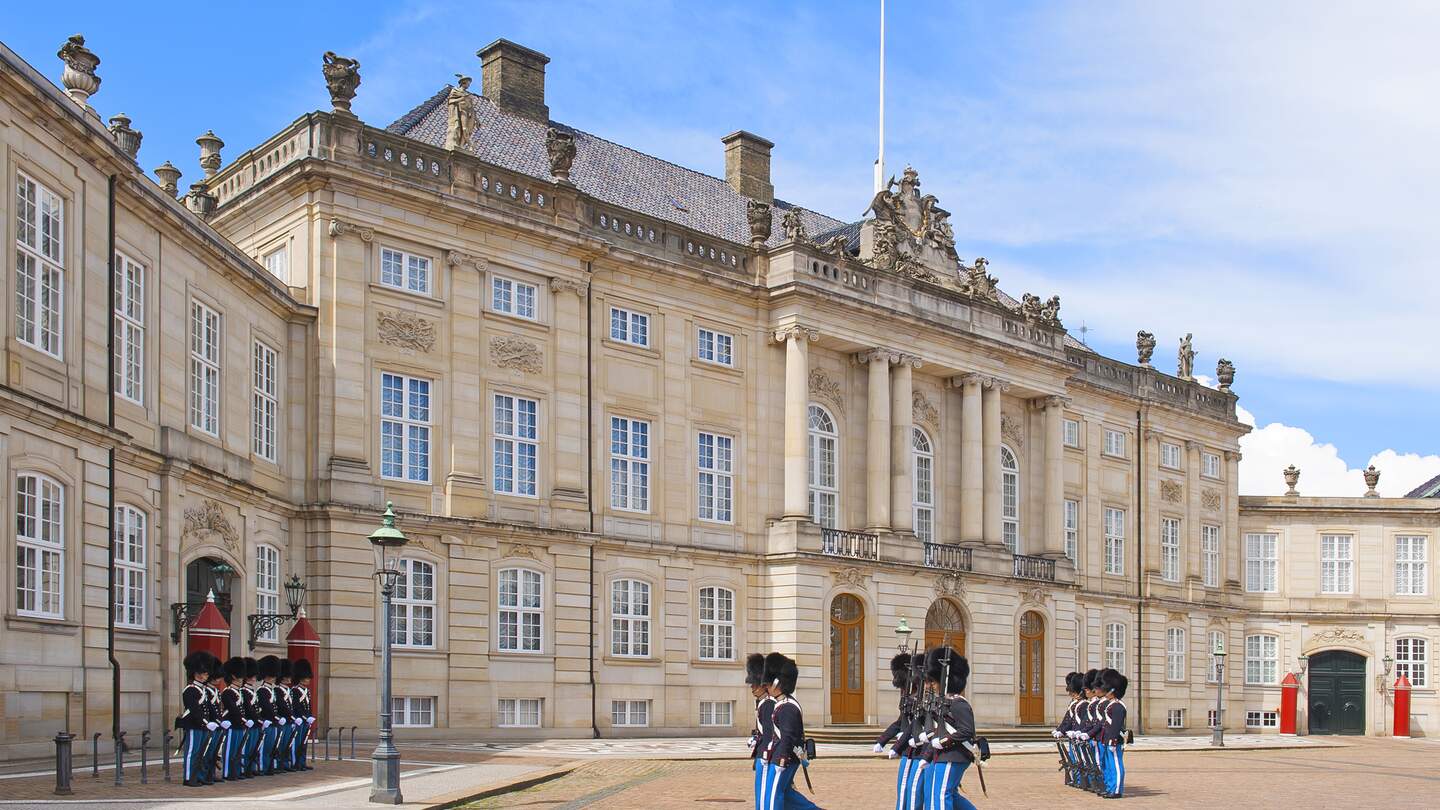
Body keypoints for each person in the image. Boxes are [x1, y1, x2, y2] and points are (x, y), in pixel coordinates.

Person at [759, 652, 821, 810]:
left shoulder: (787, 707)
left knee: (774, 796)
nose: (765, 686)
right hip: (781, 755)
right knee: (786, 795)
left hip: (784, 758)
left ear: (777, 682)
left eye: (767, 683)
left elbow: (787, 737)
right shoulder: (782, 703)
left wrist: (781, 759)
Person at [920, 647, 977, 810]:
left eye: (935, 681)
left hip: (955, 756)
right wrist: (927, 756)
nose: (933, 685)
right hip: (944, 755)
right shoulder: (946, 702)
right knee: (950, 794)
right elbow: (939, 730)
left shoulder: (959, 703)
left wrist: (943, 743)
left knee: (942, 795)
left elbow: (966, 731)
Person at [875, 652, 925, 810]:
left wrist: (897, 745)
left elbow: (914, 725)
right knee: (904, 789)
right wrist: (881, 740)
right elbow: (900, 722)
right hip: (908, 749)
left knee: (913, 791)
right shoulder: (908, 696)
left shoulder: (922, 699)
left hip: (920, 750)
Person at [177, 652, 214, 787]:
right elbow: (194, 710)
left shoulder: (202, 689)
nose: (207, 675)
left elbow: (208, 708)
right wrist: (205, 722)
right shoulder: (190, 690)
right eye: (204, 673)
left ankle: (198, 776)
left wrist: (213, 721)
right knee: (192, 752)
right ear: (197, 673)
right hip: (194, 724)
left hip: (202, 725)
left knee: (201, 752)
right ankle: (188, 778)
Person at [746, 652, 775, 810]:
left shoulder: (768, 703)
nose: (752, 687)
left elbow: (770, 734)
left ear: (763, 684)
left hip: (766, 755)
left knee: (764, 794)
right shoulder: (763, 702)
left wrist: (765, 755)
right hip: (762, 753)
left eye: (754, 684)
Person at [1100, 670, 1129, 799]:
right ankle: (1111, 788)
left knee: (1116, 766)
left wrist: (1112, 741)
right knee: (1110, 766)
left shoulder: (1117, 706)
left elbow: (1116, 726)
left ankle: (1117, 790)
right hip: (1107, 740)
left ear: (1113, 689)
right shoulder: (1112, 704)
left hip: (1115, 741)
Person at [1052, 671, 1082, 788]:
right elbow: (1067, 719)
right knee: (1073, 758)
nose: (1071, 693)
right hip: (1073, 735)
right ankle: (1077, 778)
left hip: (1079, 735)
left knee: (1080, 759)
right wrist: (1060, 730)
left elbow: (1081, 721)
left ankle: (1081, 779)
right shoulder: (1074, 703)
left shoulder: (1083, 703)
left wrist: (1078, 732)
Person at [220, 657, 248, 780]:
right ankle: (227, 772)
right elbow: (232, 709)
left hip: (239, 724)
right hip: (231, 723)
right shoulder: (227, 692)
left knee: (238, 750)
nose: (242, 679)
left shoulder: (240, 692)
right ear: (233, 676)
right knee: (230, 750)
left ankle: (235, 771)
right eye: (240, 676)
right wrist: (242, 719)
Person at [201, 659, 226, 783]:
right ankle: (205, 773)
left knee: (214, 751)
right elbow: (208, 709)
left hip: (216, 725)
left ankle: (211, 773)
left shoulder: (216, 691)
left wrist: (220, 721)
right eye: (216, 677)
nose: (218, 679)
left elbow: (218, 708)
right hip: (208, 725)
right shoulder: (205, 690)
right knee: (206, 751)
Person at [256, 655, 281, 774]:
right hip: (267, 721)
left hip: (273, 722)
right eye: (271, 675)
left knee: (272, 746)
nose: (273, 678)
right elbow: (266, 707)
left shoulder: (271, 690)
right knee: (265, 747)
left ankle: (270, 765)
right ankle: (263, 767)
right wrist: (275, 717)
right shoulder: (262, 690)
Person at [291, 659, 316, 770]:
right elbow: (296, 707)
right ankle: (296, 762)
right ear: (301, 677)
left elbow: (308, 706)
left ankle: (302, 761)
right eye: (306, 677)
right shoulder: (295, 690)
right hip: (299, 720)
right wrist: (305, 717)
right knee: (297, 742)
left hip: (306, 720)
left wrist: (310, 716)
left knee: (304, 742)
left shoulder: (307, 691)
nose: (308, 679)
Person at [274, 659, 297, 771]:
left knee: (288, 743)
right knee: (281, 743)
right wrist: (291, 717)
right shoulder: (277, 690)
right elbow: (282, 705)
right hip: (282, 719)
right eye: (286, 676)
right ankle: (279, 764)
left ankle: (285, 763)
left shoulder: (289, 690)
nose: (289, 678)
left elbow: (291, 705)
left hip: (289, 720)